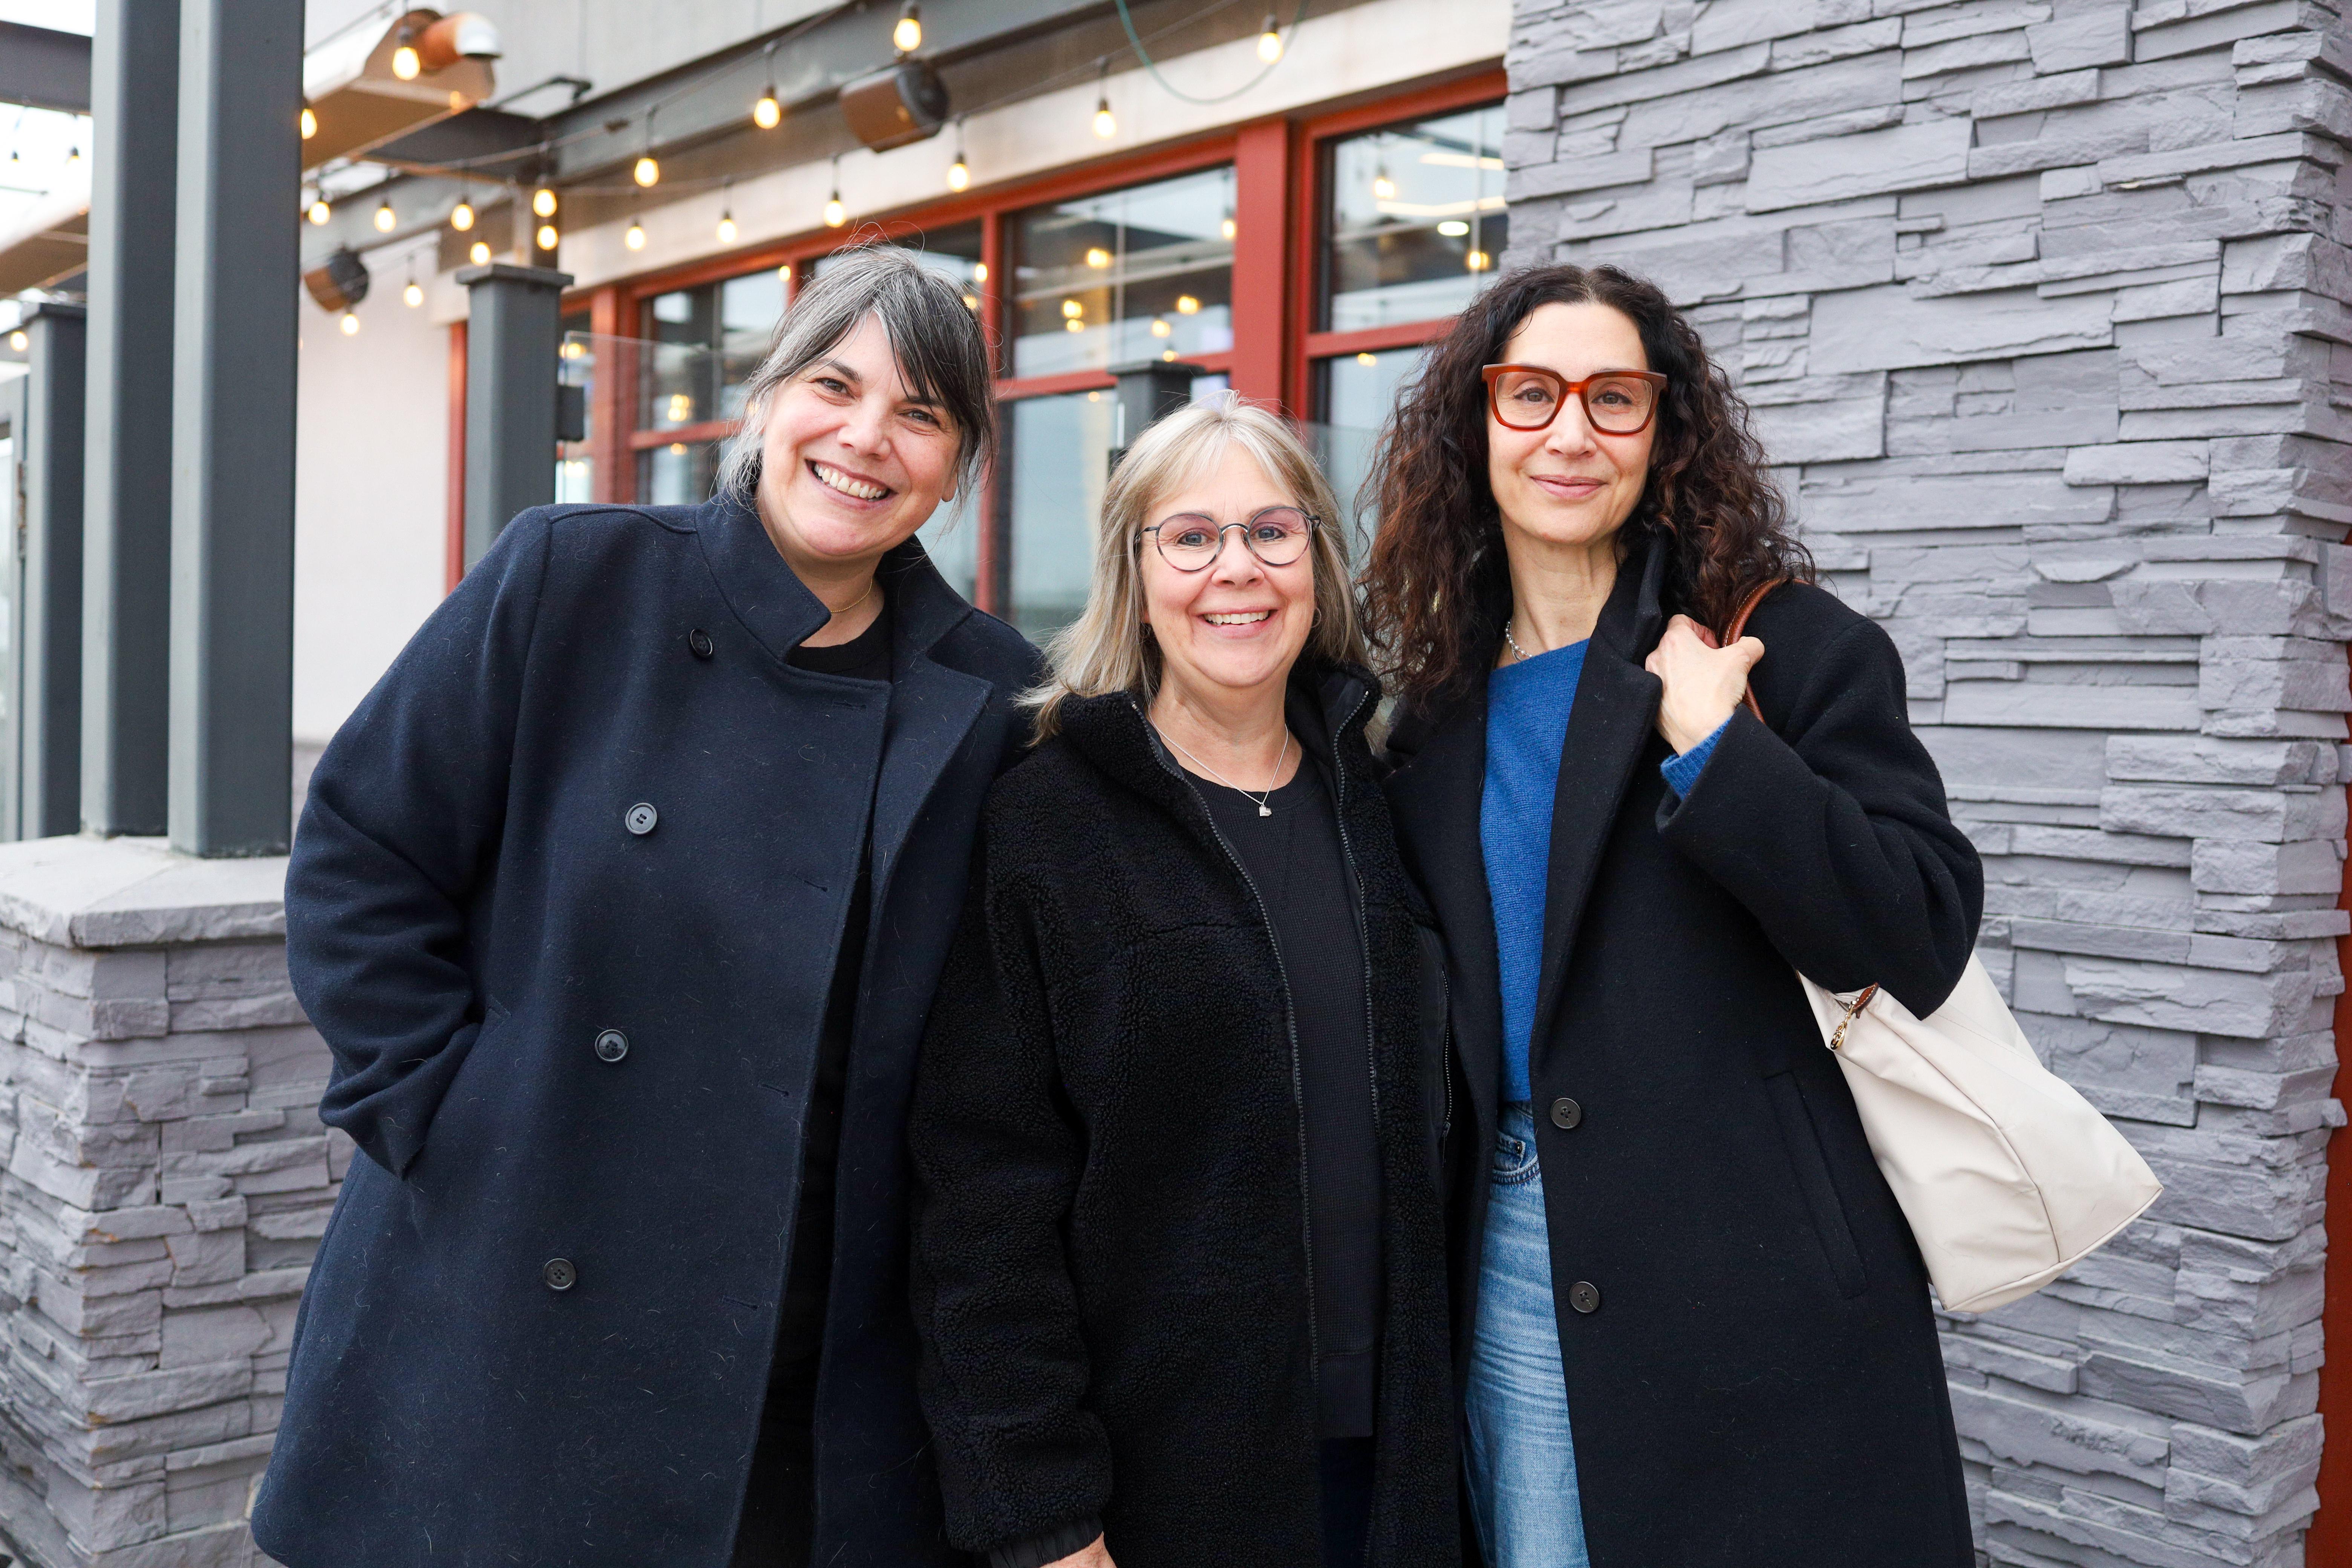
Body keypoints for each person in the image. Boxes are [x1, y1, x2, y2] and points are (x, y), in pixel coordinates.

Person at [251, 244, 1041, 1568]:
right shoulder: (577, 577)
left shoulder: (991, 689)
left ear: (957, 468)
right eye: (834, 387)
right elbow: (361, 846)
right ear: (765, 402)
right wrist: (441, 1110)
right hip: (517, 1271)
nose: (866, 438)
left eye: (920, 413)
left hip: (805, 1332)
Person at [1360, 263, 1983, 1567]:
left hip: (1758, 1250)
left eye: (1615, 398)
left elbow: (1917, 934)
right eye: (1530, 394)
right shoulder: (1426, 718)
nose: (1571, 432)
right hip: (1518, 1250)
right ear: (1476, 429)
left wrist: (1719, 756)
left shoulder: (1783, 651)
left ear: (1669, 433)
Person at [906, 400, 1459, 1568]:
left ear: (1317, 558)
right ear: (1136, 571)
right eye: (1191, 537)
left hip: (1395, 1468)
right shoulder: (1047, 827)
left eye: (1272, 531)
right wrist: (1046, 1518)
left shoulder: (1381, 803)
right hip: (1153, 1488)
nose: (1236, 573)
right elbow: (981, 1202)